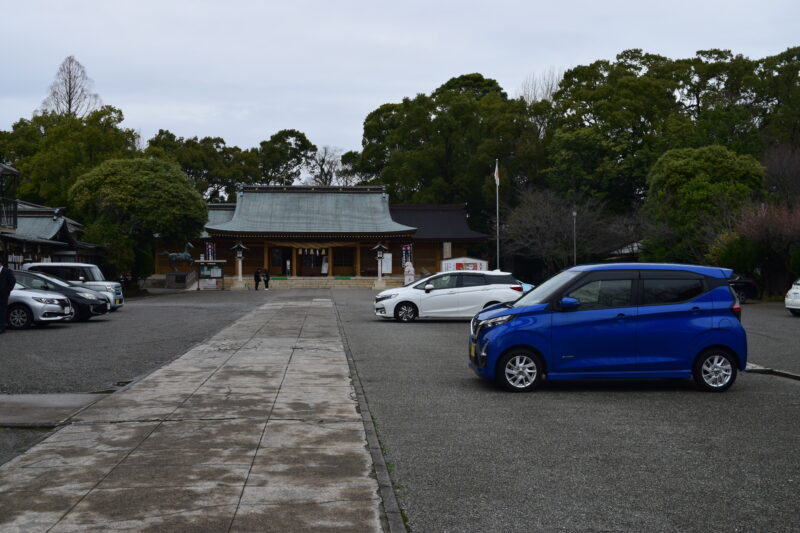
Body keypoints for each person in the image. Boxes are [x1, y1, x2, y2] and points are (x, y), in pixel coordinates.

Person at [0, 260, 16, 334]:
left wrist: (6, 291)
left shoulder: (7, 271)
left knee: (2, 311)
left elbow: (12, 281)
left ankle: (1, 328)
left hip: (3, 295)